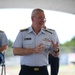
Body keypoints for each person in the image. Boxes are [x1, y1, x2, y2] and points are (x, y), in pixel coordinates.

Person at [12, 8, 59, 75]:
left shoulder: (50, 34)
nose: (43, 20)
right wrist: (33, 50)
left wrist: (56, 50)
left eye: (44, 18)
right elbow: (15, 51)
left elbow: (55, 55)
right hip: (26, 71)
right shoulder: (23, 33)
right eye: (40, 18)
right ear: (32, 19)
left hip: (42, 71)